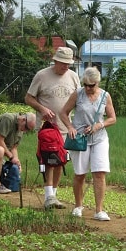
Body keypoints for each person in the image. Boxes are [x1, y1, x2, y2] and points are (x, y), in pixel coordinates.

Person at [25, 46, 81, 210]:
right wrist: (42, 109)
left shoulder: (73, 77)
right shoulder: (42, 76)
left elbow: (78, 99)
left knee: (61, 160)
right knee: (49, 159)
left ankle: (53, 195)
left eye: (68, 64)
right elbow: (28, 98)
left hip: (66, 127)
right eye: (63, 63)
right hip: (47, 128)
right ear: (55, 61)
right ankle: (48, 195)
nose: (65, 67)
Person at [59, 67, 116, 221]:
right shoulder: (78, 94)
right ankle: (78, 206)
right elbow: (63, 112)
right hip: (80, 138)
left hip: (99, 138)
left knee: (99, 173)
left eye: (92, 85)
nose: (88, 88)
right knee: (80, 173)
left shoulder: (105, 96)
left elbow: (112, 118)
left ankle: (99, 210)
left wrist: (99, 125)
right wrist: (70, 127)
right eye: (86, 84)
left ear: (98, 83)